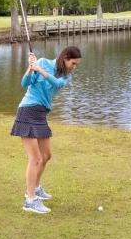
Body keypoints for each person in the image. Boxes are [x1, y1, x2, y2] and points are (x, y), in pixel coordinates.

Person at [10, 46, 82, 214]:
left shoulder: (66, 76)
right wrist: (30, 68)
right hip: (28, 110)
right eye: (73, 63)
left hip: (41, 113)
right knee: (35, 158)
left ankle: (36, 187)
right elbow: (24, 83)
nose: (74, 67)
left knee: (46, 156)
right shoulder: (42, 62)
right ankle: (30, 200)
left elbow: (56, 83)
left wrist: (39, 70)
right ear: (65, 57)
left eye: (76, 64)